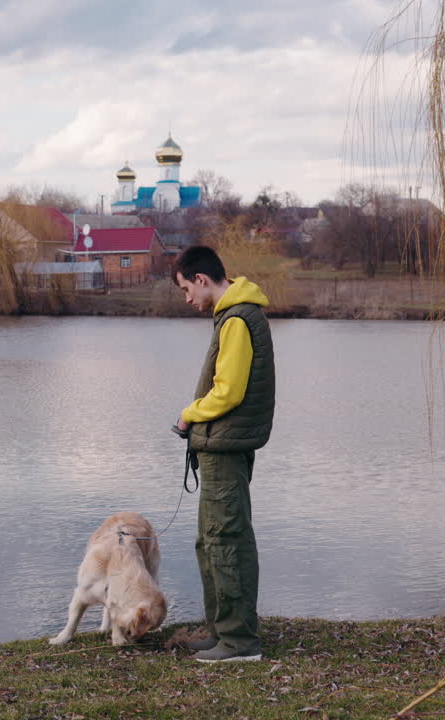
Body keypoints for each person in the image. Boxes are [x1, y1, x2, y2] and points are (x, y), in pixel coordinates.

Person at [172, 246, 275, 663]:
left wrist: (187, 415)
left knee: (226, 539)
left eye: (184, 289)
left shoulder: (236, 319)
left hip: (226, 447)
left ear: (201, 279)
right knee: (211, 540)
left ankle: (238, 643)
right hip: (221, 445)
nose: (186, 299)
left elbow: (228, 391)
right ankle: (221, 631)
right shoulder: (235, 313)